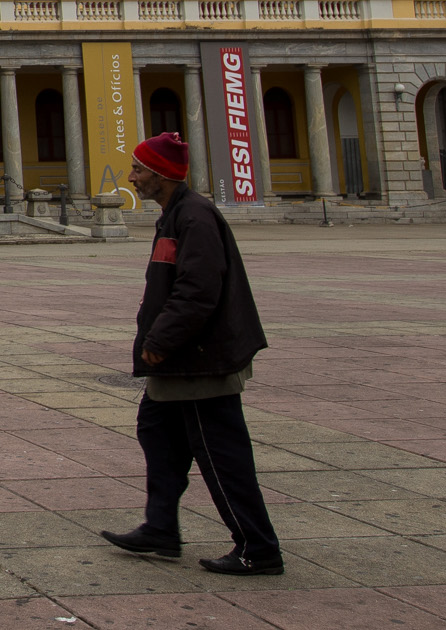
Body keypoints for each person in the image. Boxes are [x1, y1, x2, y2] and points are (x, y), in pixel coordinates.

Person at [102, 132, 283, 576]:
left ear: (162, 174)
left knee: (223, 456)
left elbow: (199, 291)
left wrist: (159, 342)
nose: (133, 176)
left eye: (140, 169)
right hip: (178, 362)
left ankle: (258, 548)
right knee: (157, 434)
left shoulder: (196, 216)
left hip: (199, 362)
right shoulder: (174, 214)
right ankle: (161, 527)